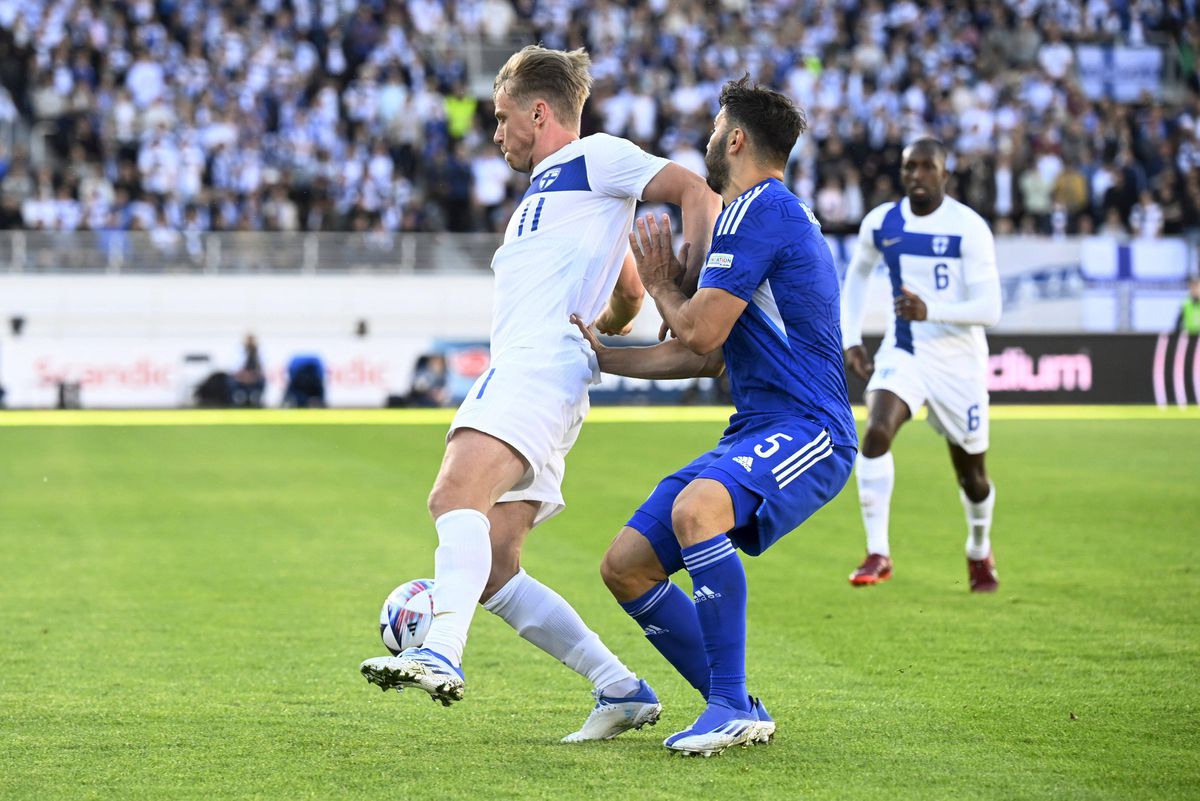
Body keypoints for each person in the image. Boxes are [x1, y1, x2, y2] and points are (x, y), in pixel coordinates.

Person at [359, 45, 722, 742]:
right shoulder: (557, 194)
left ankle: (439, 648)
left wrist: (699, 291)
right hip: (550, 375)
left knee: (451, 495)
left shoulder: (596, 158)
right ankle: (620, 686)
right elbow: (626, 291)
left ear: (539, 112)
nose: (497, 134)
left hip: (533, 369)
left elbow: (696, 193)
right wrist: (603, 334)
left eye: (502, 119)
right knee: (495, 567)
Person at [576, 77, 857, 756]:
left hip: (811, 427)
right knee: (627, 564)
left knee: (698, 510)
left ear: (735, 138)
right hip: (757, 426)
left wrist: (667, 285)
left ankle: (728, 703)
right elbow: (704, 356)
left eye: (713, 125)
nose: (707, 137)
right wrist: (605, 356)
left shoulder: (761, 211)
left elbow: (698, 333)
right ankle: (737, 704)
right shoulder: (756, 215)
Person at [840, 138, 1002, 592]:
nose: (917, 175)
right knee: (875, 431)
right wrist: (851, 338)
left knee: (972, 477)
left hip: (960, 363)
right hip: (905, 350)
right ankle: (878, 552)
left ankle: (978, 548)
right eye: (910, 167)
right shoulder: (883, 222)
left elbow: (990, 309)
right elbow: (856, 277)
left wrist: (932, 310)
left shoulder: (969, 228)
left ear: (945, 174)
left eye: (927, 167)